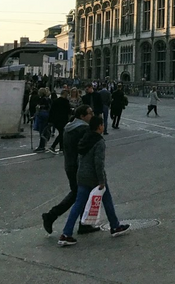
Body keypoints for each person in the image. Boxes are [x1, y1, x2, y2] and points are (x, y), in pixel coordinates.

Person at [57, 116, 130, 246]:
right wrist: (101, 181)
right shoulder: (99, 142)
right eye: (103, 124)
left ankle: (66, 233)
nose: (104, 127)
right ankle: (115, 226)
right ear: (99, 126)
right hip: (95, 177)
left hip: (82, 175)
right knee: (107, 200)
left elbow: (80, 158)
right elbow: (98, 163)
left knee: (78, 204)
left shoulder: (85, 139)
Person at [43, 105, 96, 236]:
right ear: (82, 116)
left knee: (80, 193)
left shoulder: (69, 126)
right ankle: (52, 216)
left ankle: (84, 224)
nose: (92, 115)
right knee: (80, 193)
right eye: (90, 113)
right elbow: (85, 149)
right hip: (79, 167)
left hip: (69, 164)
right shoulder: (83, 129)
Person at [34, 88, 52, 153]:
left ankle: (41, 146)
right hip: (47, 115)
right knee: (44, 130)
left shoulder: (41, 99)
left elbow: (39, 107)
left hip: (42, 115)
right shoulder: (48, 99)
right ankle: (43, 144)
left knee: (41, 131)